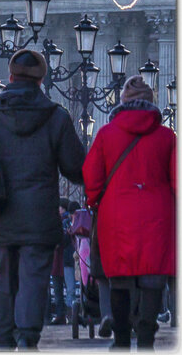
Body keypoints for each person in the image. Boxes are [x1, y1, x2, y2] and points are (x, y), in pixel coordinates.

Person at [0, 48, 85, 350]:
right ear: (41, 81)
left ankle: (3, 338)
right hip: (40, 216)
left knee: (2, 276)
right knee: (34, 278)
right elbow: (76, 168)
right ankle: (28, 337)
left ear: (10, 77)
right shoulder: (57, 117)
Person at [83, 75, 175, 350]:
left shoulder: (106, 134)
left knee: (120, 277)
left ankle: (121, 338)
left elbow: (92, 176)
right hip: (157, 215)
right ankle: (146, 338)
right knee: (152, 278)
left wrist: (95, 201)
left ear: (122, 103)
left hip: (116, 215)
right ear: (151, 103)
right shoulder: (167, 136)